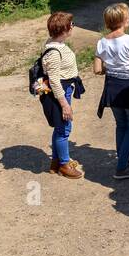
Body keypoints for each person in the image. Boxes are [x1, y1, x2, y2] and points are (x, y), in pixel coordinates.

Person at [93, 4, 129, 180]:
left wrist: (112, 69)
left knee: (121, 124)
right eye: (127, 16)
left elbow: (97, 69)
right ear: (122, 21)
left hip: (112, 87)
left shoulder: (102, 42)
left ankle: (124, 159)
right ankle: (122, 166)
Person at [41, 11, 85, 179]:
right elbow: (53, 80)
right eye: (71, 25)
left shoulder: (56, 43)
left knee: (60, 127)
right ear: (63, 29)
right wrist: (64, 105)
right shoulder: (53, 51)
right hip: (60, 93)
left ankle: (56, 162)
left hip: (65, 89)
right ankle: (64, 165)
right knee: (64, 129)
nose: (73, 26)